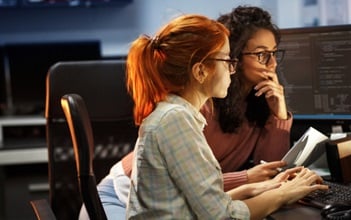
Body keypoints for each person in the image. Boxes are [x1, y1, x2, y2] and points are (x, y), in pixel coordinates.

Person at [79, 5, 298, 219]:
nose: (272, 63)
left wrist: (278, 115)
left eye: (274, 53)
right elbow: (214, 207)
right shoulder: (186, 112)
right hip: (119, 194)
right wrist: (257, 184)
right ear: (202, 70)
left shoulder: (192, 109)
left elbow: (200, 195)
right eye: (261, 54)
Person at [124, 13, 327, 219]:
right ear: (201, 71)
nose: (232, 68)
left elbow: (200, 200)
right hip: (118, 192)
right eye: (227, 60)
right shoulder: (176, 119)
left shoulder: (179, 114)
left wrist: (268, 187)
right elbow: (222, 216)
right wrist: (283, 194)